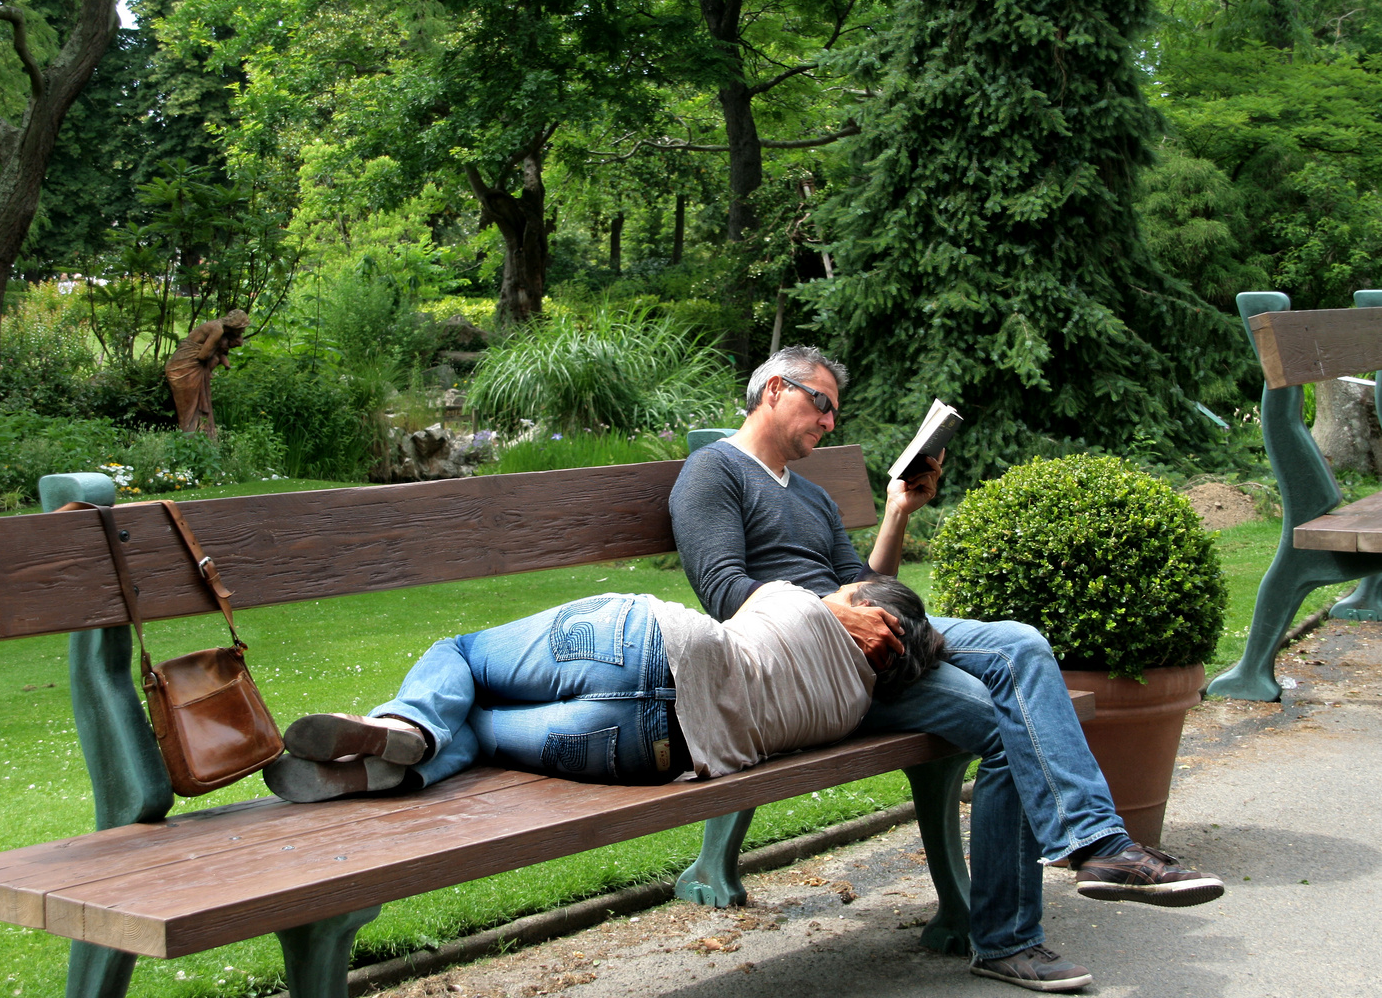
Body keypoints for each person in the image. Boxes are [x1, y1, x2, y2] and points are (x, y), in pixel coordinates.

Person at [668, 345, 1224, 994]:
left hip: (869, 643)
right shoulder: (712, 473)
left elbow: (867, 585)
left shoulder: (812, 498)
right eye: (820, 405)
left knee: (1015, 671)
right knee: (1008, 691)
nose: (828, 423)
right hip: (800, 667)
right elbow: (722, 593)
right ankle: (1045, 900)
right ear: (772, 390)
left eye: (833, 414)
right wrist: (832, 613)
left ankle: (1075, 869)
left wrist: (898, 511)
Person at [263, 578, 943, 801]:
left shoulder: (794, 602)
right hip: (647, 751)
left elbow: (745, 593)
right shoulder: (851, 711)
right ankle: (378, 773)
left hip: (641, 641)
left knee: (460, 656)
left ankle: (406, 726)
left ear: (871, 615)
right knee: (482, 737)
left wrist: (833, 604)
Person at [164, 309, 249, 440]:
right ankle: (189, 440)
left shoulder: (219, 328)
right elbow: (203, 356)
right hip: (183, 369)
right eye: (242, 329)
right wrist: (216, 355)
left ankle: (202, 437)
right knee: (189, 409)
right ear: (235, 325)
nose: (242, 332)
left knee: (196, 406)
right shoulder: (218, 330)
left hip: (191, 368)